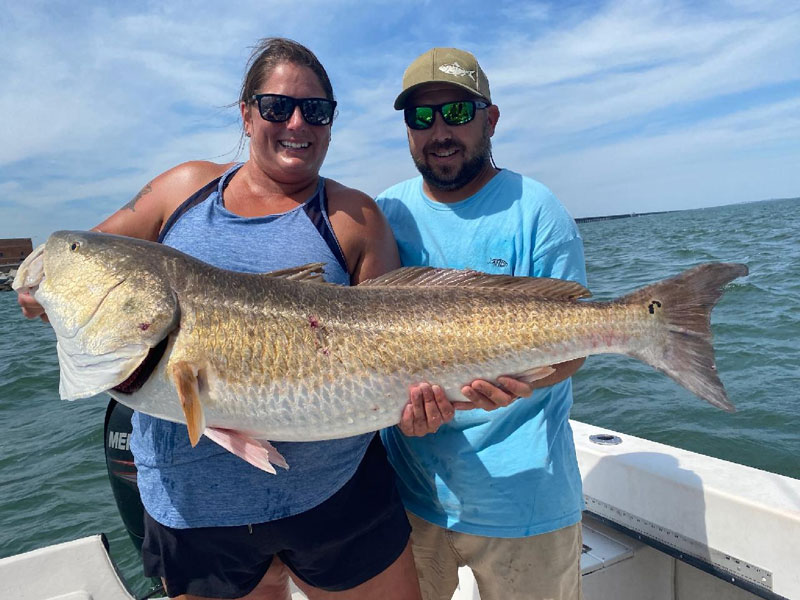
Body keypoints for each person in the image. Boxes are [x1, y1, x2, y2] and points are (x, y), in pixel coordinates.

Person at [19, 38, 425, 600]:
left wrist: (421, 407)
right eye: (277, 107)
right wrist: (47, 286)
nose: (296, 123)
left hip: (339, 498)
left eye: (317, 110)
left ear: (332, 122)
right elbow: (89, 254)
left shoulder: (355, 217)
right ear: (246, 113)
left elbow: (393, 341)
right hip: (194, 513)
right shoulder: (182, 190)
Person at [376, 47, 588, 600]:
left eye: (457, 113)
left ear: (490, 118)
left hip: (528, 500)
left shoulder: (538, 210)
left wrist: (522, 381)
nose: (439, 130)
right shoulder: (384, 214)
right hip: (410, 495)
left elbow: (574, 345)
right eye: (420, 117)